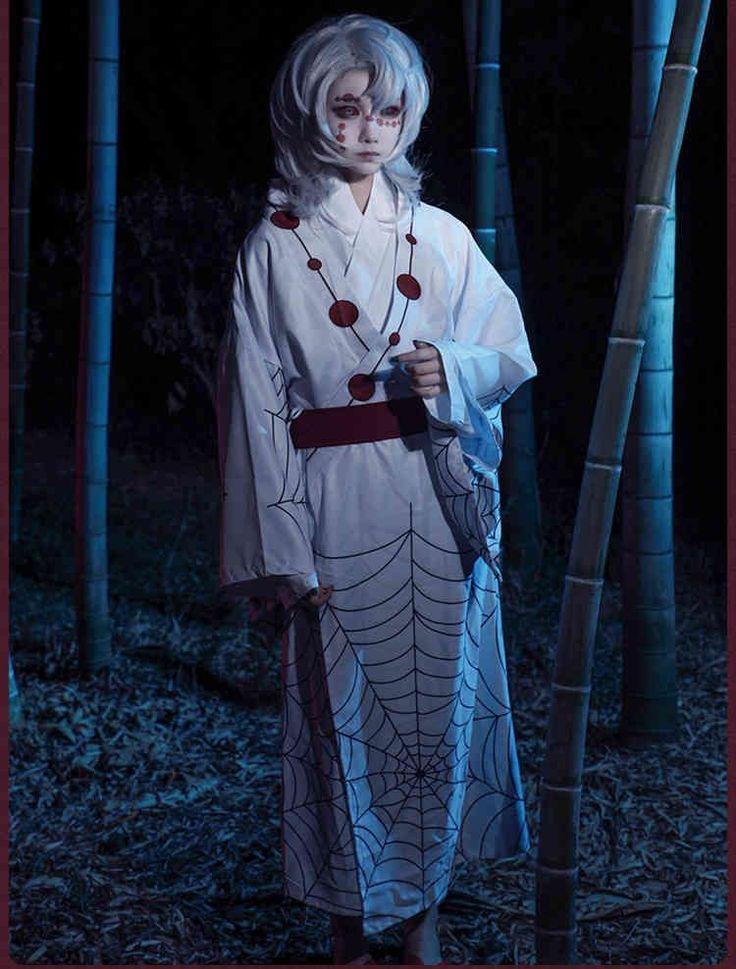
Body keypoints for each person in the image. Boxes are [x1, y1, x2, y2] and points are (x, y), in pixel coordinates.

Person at [216, 13, 537, 965]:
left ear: (410, 116)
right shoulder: (272, 245)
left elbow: (508, 349)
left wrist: (454, 362)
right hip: (330, 505)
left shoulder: (439, 234)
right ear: (310, 112)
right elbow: (255, 403)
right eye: (346, 108)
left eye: (385, 109)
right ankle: (354, 926)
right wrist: (283, 551)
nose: (367, 128)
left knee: (438, 711)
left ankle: (426, 916)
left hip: (431, 495)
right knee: (337, 718)